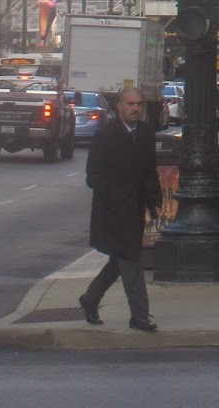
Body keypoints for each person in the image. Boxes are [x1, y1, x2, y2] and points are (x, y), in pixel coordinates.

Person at [78, 84, 163, 332]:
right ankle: (139, 316)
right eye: (130, 104)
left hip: (135, 208)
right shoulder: (105, 136)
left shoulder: (146, 133)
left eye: (138, 104)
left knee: (121, 259)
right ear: (120, 106)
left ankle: (90, 299)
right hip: (112, 211)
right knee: (131, 259)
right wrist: (115, 194)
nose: (135, 109)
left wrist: (155, 201)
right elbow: (92, 177)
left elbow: (150, 171)